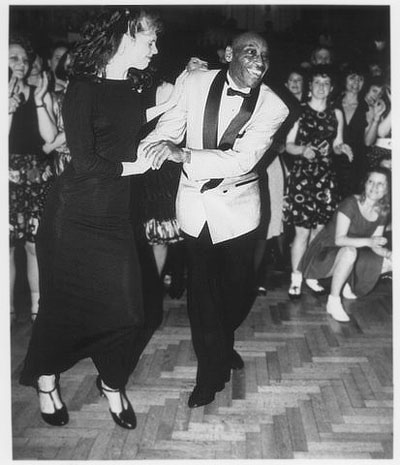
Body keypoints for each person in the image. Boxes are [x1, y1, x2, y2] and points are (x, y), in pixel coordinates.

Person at [19, 8, 170, 430]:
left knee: (130, 311)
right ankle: (46, 379)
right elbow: (84, 161)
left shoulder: (128, 86)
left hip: (113, 216)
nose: (155, 49)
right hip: (74, 214)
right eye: (149, 40)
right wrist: (134, 168)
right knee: (62, 308)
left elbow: (127, 124)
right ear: (124, 36)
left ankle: (111, 381)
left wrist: (172, 102)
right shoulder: (82, 89)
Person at [139, 31, 289, 408]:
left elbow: (241, 160)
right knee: (203, 295)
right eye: (250, 51)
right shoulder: (193, 80)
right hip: (195, 205)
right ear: (229, 54)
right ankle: (210, 374)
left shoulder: (274, 107)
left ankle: (220, 342)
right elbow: (171, 124)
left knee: (237, 292)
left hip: (239, 208)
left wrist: (182, 154)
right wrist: (153, 146)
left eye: (264, 54)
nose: (259, 59)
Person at [284, 65, 353, 298]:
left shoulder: (337, 114)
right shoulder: (299, 111)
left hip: (325, 178)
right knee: (302, 233)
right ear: (310, 86)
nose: (321, 87)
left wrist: (341, 147)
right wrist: (302, 150)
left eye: (326, 84)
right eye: (317, 83)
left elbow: (336, 143)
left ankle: (310, 274)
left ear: (331, 88)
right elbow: (288, 145)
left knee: (319, 233)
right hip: (303, 177)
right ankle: (296, 277)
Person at [299, 167, 391, 322]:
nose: (374, 187)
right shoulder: (350, 203)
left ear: (387, 189)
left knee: (391, 262)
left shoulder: (382, 211)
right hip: (324, 253)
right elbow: (339, 240)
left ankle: (350, 282)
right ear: (365, 184)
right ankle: (333, 301)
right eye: (371, 182)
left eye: (380, 184)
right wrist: (369, 242)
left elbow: (375, 245)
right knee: (349, 252)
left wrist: (389, 254)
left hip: (353, 250)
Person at [9, 33, 57, 321]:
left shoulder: (40, 92)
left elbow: (49, 138)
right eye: (13, 57)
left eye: (24, 59)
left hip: (37, 176)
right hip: (8, 176)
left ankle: (39, 308)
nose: (21, 64)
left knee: (33, 245)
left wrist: (39, 99)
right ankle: (9, 309)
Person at [334, 65, 369, 197]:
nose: (356, 82)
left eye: (360, 79)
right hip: (334, 159)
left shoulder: (366, 107)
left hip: (358, 162)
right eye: (352, 78)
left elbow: (368, 141)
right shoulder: (333, 103)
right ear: (344, 80)